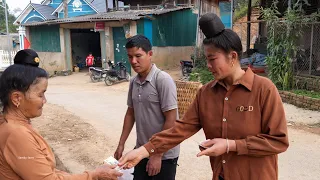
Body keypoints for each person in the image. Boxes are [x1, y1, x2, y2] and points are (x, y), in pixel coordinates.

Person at [118, 13, 289, 180]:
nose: (208, 66)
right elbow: (180, 129)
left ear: (233, 57)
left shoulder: (263, 90)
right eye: (206, 59)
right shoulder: (206, 93)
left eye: (212, 59)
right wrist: (144, 150)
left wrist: (231, 145)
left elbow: (279, 141)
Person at [0, 49, 122, 180]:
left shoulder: (14, 125)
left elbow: (45, 171)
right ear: (17, 98)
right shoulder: (17, 135)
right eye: (40, 94)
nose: (44, 101)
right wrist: (93, 175)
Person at [114, 35, 180, 180]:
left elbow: (171, 120)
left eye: (138, 56)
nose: (133, 61)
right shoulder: (134, 82)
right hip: (141, 150)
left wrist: (157, 154)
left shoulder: (162, 80)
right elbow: (130, 114)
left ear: (150, 54)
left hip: (164, 156)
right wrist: (121, 144)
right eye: (130, 56)